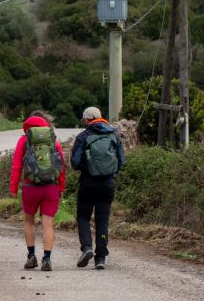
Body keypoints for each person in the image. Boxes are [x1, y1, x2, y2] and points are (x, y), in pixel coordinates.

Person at [9, 110, 66, 270]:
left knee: (29, 221)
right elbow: (61, 165)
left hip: (30, 187)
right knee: (48, 224)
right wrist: (61, 186)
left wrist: (13, 188)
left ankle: (31, 256)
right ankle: (46, 258)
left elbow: (16, 166)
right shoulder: (52, 140)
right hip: (51, 187)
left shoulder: (23, 140)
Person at [69, 106, 124, 270]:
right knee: (102, 220)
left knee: (83, 217)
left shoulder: (83, 136)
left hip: (88, 183)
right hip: (108, 184)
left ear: (87, 120)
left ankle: (87, 248)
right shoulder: (113, 135)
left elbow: (75, 163)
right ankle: (100, 258)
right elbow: (121, 161)